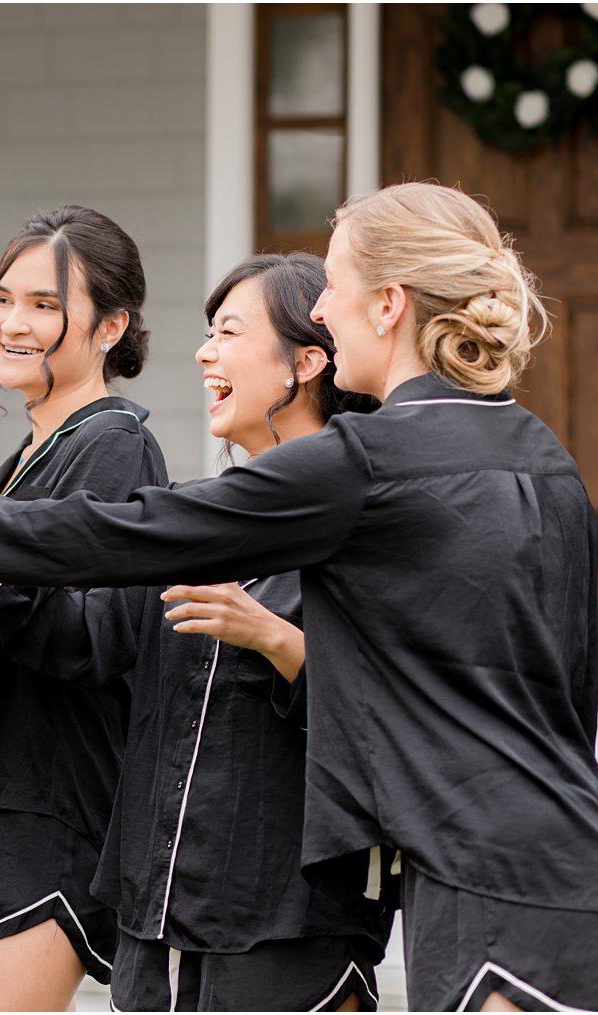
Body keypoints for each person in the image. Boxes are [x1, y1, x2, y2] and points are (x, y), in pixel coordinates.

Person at [0, 182, 598, 1012]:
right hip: (558, 862)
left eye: (333, 287)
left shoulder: (371, 458)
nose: (324, 310)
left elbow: (146, 529)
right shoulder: (546, 455)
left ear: (390, 305)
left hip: (481, 879)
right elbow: (566, 700)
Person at [0, 205, 167, 1010]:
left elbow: (84, 638)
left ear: (111, 325)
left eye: (45, 304)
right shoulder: (30, 456)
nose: (12, 322)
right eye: (3, 297)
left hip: (45, 814)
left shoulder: (114, 444)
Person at [104, 253, 389, 1011]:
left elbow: (392, 712)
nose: (204, 352)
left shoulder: (369, 519)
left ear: (305, 362)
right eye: (207, 332)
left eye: (228, 332)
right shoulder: (197, 514)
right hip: (157, 911)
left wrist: (273, 637)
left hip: (288, 925)